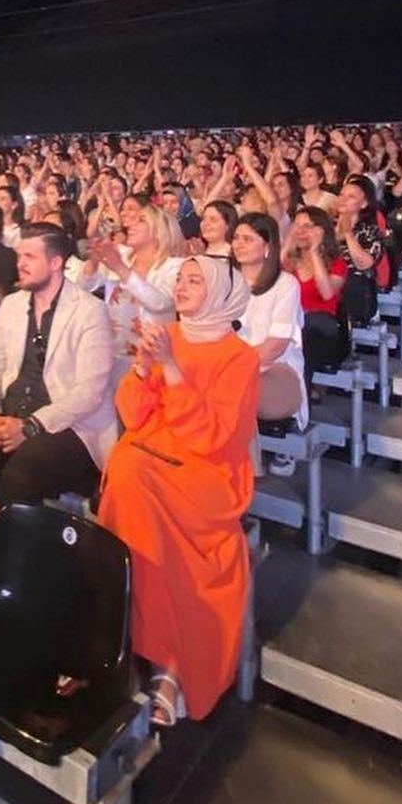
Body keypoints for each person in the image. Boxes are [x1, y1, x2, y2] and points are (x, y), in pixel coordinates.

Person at [97, 256, 260, 728]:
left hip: (206, 473)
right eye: (181, 279)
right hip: (149, 456)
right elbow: (134, 414)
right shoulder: (168, 334)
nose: (182, 287)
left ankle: (168, 660)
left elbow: (214, 438)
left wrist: (169, 367)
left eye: (195, 281)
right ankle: (129, 637)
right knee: (126, 471)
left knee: (132, 479)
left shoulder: (240, 358)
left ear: (220, 295)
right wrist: (143, 368)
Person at [0, 223, 116, 504]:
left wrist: (30, 426)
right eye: (19, 256)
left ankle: (8, 531)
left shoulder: (90, 310)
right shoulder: (12, 304)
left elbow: (89, 392)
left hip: (69, 424)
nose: (20, 264)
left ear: (55, 263)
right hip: (11, 411)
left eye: (29, 257)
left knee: (22, 473)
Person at [79, 200, 185, 387]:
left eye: (141, 220)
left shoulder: (174, 266)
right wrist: (94, 261)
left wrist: (120, 267)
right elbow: (85, 286)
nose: (131, 224)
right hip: (111, 357)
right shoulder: (121, 254)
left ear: (159, 232)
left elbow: (161, 303)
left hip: (152, 362)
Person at [232, 214, 307, 474]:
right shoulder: (227, 280)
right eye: (236, 238)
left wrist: (230, 368)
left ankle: (244, 469)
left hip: (272, 370)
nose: (239, 244)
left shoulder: (285, 284)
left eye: (247, 239)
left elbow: (275, 346)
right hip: (230, 365)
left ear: (267, 247)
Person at [282, 207, 348, 382]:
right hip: (291, 325)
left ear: (322, 231)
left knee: (306, 329)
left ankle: (301, 392)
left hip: (321, 328)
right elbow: (270, 280)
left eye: (308, 226)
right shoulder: (288, 262)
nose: (301, 232)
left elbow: (327, 293)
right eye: (297, 226)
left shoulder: (337, 263)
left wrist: (314, 252)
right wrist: (288, 243)